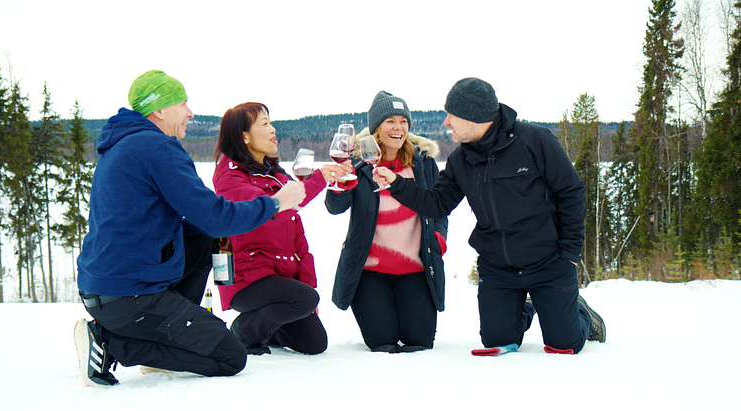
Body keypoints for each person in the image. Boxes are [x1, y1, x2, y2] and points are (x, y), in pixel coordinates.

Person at [73, 70, 306, 387]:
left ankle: (169, 336)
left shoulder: (124, 145)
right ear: (159, 109)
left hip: (104, 289)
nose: (190, 113)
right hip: (128, 296)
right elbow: (216, 216)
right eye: (182, 103)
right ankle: (110, 343)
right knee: (230, 356)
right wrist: (276, 203)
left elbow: (203, 222)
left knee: (203, 238)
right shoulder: (157, 149)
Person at [374, 77, 606, 355]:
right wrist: (396, 184)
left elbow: (571, 192)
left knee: (564, 344)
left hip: (548, 261)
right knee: (497, 342)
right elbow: (437, 203)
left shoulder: (535, 141)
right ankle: (528, 308)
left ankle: (580, 313)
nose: (446, 122)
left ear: (472, 118)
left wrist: (570, 253)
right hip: (498, 267)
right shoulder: (461, 159)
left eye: (451, 115)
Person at [212, 102, 350, 355]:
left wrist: (306, 284)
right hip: (247, 278)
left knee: (314, 343)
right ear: (244, 136)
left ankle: (265, 326)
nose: (273, 129)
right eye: (264, 124)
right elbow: (270, 211)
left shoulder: (276, 174)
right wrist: (320, 178)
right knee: (305, 299)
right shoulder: (230, 177)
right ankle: (244, 330)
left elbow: (296, 234)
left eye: (271, 122)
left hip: (278, 275)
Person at [325, 91, 448, 353]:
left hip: (415, 270)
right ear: (376, 129)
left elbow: (439, 207)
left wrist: (438, 238)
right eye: (390, 121)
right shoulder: (358, 164)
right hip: (370, 272)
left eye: (403, 121)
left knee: (420, 342)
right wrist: (340, 178)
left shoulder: (423, 163)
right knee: (383, 343)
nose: (398, 128)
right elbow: (335, 208)